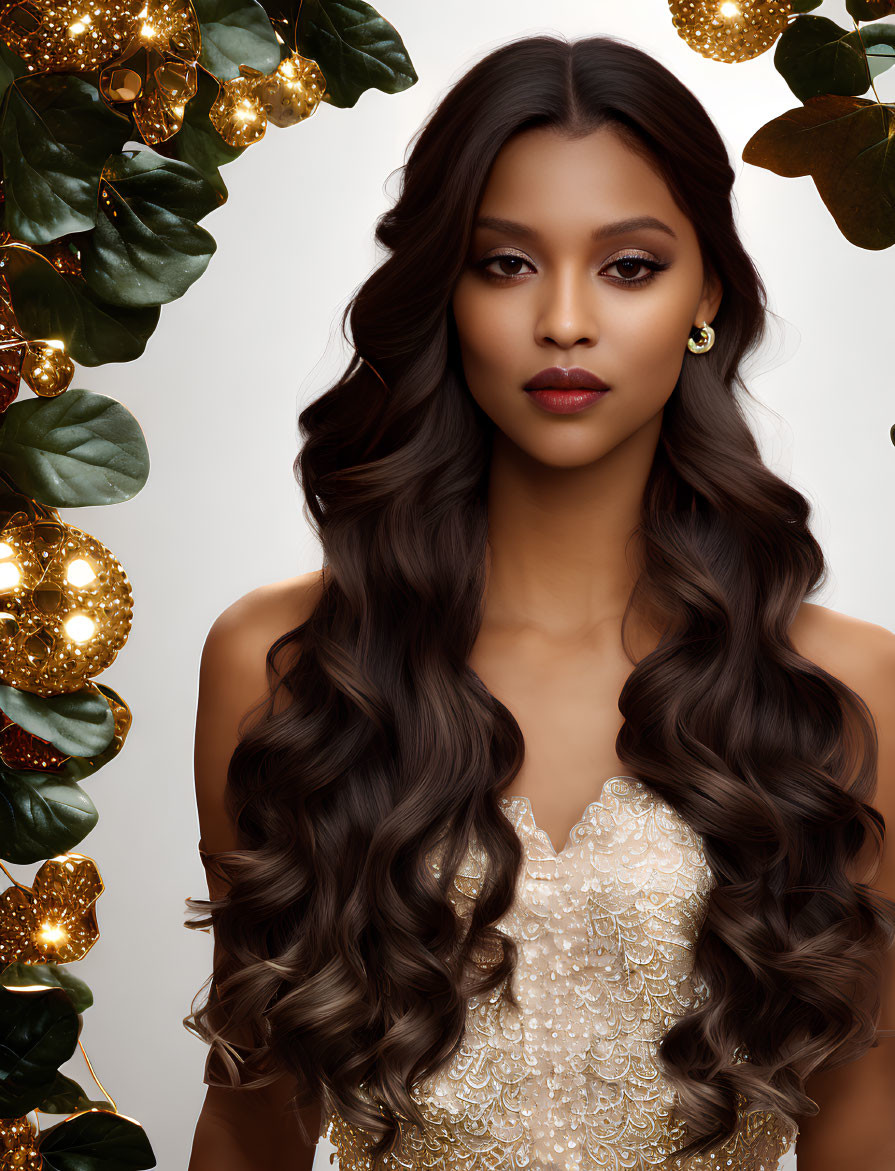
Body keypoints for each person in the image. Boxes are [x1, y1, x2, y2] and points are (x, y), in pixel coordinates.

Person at [184, 32, 895, 1171]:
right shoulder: (286, 665)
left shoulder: (844, 686)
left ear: (705, 290)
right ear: (442, 292)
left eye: (628, 266)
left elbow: (863, 1118)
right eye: (505, 262)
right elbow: (253, 1110)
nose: (565, 319)